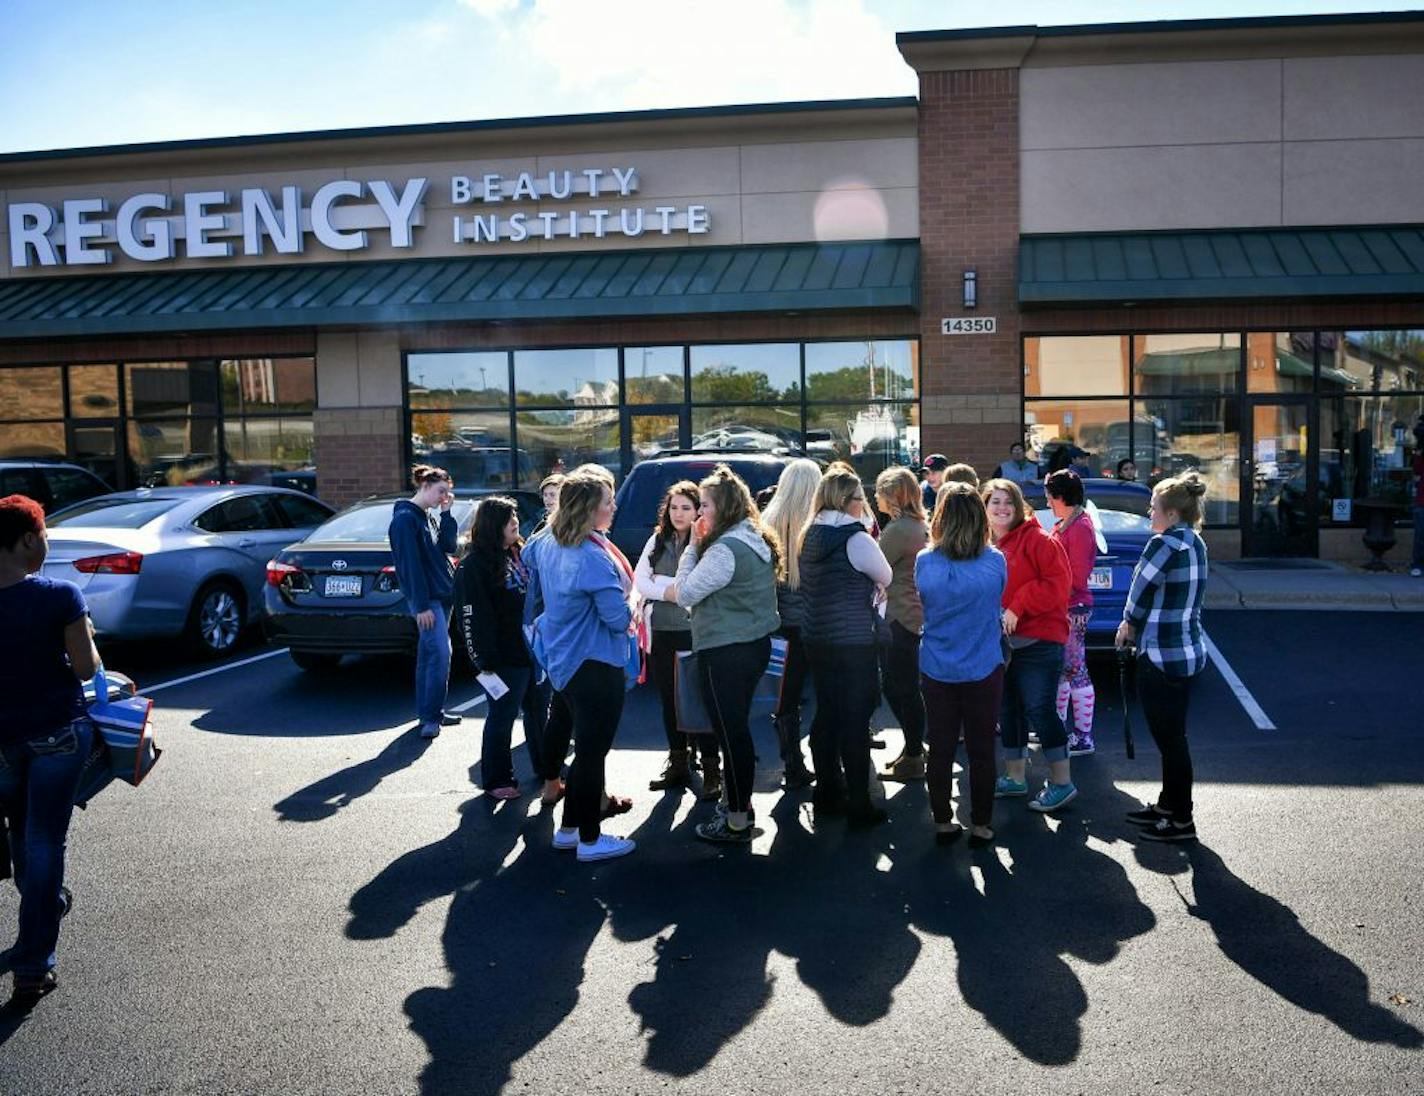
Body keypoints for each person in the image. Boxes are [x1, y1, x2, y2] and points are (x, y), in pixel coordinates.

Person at [0, 494, 101, 1007]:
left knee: (22, 831)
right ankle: (33, 965)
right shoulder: (60, 595)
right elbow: (86, 670)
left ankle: (45, 904)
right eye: (43, 535)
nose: (46, 543)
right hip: (56, 734)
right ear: (25, 539)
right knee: (44, 841)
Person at [668, 465, 782, 843]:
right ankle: (740, 808)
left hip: (726, 651)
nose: (699, 513)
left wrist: (693, 547)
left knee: (730, 734)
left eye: (704, 505)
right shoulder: (754, 537)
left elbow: (684, 594)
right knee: (737, 731)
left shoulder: (723, 550)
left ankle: (736, 818)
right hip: (751, 645)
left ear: (726, 507)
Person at [539, 473, 637, 862]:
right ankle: (591, 841)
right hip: (595, 663)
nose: (613, 507)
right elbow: (617, 619)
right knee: (591, 755)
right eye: (607, 501)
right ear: (587, 508)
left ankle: (568, 831)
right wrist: (636, 601)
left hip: (564, 660)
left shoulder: (547, 543)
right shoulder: (592, 555)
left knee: (584, 753)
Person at [1116, 472, 1210, 843]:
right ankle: (1168, 805)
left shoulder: (1163, 545)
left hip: (1160, 654)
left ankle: (1181, 819)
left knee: (1170, 741)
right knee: (1175, 737)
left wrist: (1127, 625)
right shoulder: (1195, 543)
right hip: (1188, 651)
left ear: (1171, 514)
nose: (1148, 512)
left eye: (1153, 507)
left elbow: (1139, 591)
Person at [799, 466, 893, 827]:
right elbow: (885, 576)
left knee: (826, 715)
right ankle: (859, 804)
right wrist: (873, 587)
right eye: (859, 498)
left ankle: (826, 792)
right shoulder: (857, 539)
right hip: (854, 640)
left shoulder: (809, 534)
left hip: (817, 637)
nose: (864, 504)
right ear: (846, 501)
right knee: (854, 721)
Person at [916, 483, 1007, 848]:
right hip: (984, 665)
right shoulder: (995, 561)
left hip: (937, 665)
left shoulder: (925, 562)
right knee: (982, 750)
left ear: (941, 519)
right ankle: (982, 824)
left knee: (939, 747)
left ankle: (942, 820)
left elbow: (924, 599)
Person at [982, 478, 1077, 813]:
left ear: (1019, 505)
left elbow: (1058, 585)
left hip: (1039, 641)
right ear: (985, 506)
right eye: (995, 502)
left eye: (1008, 502)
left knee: (1040, 709)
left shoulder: (1038, 539)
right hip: (1002, 644)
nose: (1002, 508)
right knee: (1008, 709)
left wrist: (1018, 605)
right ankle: (1015, 777)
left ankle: (1062, 783)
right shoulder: (984, 543)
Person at [457, 495, 545, 799]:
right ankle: (497, 780)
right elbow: (471, 616)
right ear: (494, 526)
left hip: (533, 651)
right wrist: (483, 659)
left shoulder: (519, 553)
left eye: (516, 520)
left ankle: (548, 770)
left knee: (538, 714)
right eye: (510, 521)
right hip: (503, 658)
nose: (516, 525)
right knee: (502, 718)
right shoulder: (474, 565)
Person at [634, 481, 706, 793]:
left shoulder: (706, 541)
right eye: (673, 507)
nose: (678, 513)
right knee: (669, 701)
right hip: (661, 632)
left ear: (698, 511)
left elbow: (702, 585)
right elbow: (640, 582)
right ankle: (678, 762)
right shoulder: (657, 539)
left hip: (696, 632)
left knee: (697, 699)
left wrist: (665, 585)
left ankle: (710, 765)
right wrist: (672, 588)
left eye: (686, 508)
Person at [760, 459, 821, 789]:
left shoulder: (766, 524)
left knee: (786, 697)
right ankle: (828, 762)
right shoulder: (820, 526)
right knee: (826, 694)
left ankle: (792, 764)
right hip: (817, 623)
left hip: (780, 626)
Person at [388, 465, 460, 739]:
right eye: (441, 491)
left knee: (433, 654)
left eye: (447, 493)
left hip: (442, 595)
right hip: (428, 599)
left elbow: (448, 546)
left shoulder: (426, 515)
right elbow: (409, 566)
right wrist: (420, 606)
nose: (444, 497)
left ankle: (432, 712)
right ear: (425, 485)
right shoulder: (405, 519)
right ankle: (430, 717)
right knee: (439, 653)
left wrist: (447, 514)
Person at [873, 466, 929, 783]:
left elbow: (875, 567)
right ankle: (914, 749)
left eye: (880, 491)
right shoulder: (914, 525)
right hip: (909, 614)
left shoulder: (898, 530)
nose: (875, 496)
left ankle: (914, 754)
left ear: (893, 495)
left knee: (899, 688)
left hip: (899, 616)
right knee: (903, 687)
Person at [1045, 470, 1098, 756]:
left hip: (1072, 606)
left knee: (1076, 671)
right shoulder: (1072, 521)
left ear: (1059, 496)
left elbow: (1076, 577)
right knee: (1065, 672)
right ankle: (1059, 728)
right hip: (1067, 605)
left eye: (1050, 496)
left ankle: (1083, 736)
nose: (1048, 502)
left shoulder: (1079, 527)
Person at [1411, 417, 1423, 578]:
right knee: (1420, 535)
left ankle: (1418, 565)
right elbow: (1417, 472)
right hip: (1421, 500)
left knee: (1420, 535)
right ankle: (1418, 564)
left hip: (1421, 499)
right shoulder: (1420, 453)